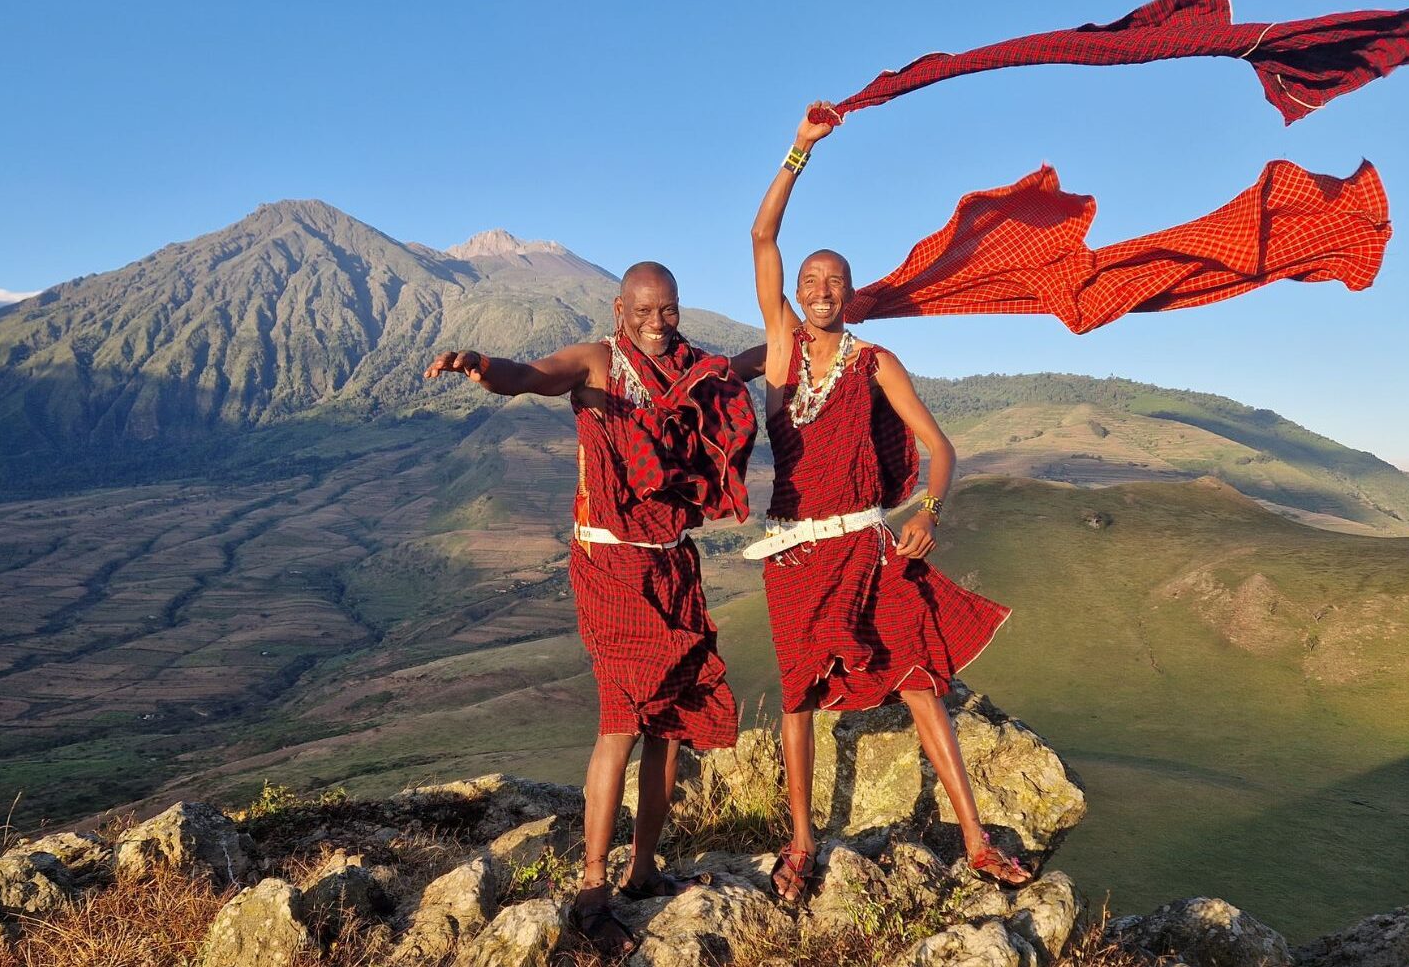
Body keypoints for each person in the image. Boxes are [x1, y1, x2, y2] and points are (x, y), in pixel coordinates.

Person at [424, 261, 757, 953]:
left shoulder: (691, 367)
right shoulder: (596, 365)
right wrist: (482, 365)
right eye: (645, 313)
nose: (659, 324)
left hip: (672, 562)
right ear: (618, 311)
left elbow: (737, 370)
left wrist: (800, 341)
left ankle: (642, 870)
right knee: (621, 720)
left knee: (668, 722)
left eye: (669, 310)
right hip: (611, 565)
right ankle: (591, 888)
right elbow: (531, 374)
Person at [747, 103, 1033, 901]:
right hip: (796, 551)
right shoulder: (777, 351)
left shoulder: (876, 362)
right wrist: (799, 151)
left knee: (916, 677)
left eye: (835, 281)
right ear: (797, 294)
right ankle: (802, 844)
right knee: (799, 694)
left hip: (870, 546)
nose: (821, 290)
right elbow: (762, 238)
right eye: (810, 282)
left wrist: (928, 514)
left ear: (850, 292)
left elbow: (942, 450)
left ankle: (975, 837)